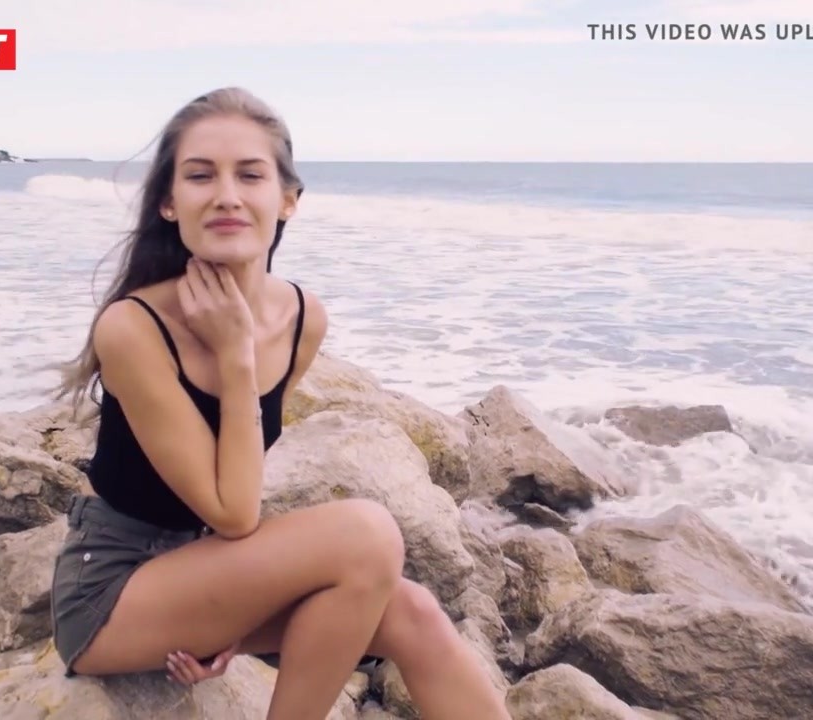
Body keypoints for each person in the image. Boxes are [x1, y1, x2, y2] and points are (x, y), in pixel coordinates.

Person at [50, 87, 510, 720]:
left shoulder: (301, 318)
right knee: (368, 533)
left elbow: (232, 480)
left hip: (196, 566)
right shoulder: (132, 328)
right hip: (110, 592)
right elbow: (235, 512)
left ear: (288, 199)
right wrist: (236, 357)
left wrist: (226, 611)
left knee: (412, 611)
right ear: (168, 202)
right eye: (200, 175)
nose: (227, 195)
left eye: (250, 175)